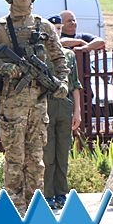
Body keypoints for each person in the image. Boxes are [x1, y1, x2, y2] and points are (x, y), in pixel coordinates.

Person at [0, 0, 69, 215]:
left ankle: (34, 209)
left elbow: (59, 58)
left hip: (38, 105)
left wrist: (63, 82)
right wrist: (7, 68)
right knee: (15, 160)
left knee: (37, 161)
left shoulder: (43, 26)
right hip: (12, 105)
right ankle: (15, 209)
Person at [44, 15, 82, 210]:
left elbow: (75, 84)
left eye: (60, 28)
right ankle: (48, 193)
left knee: (62, 151)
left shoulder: (68, 55)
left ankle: (61, 192)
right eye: (54, 29)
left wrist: (77, 111)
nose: (57, 32)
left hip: (64, 105)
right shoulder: (42, 53)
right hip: (47, 104)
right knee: (48, 152)